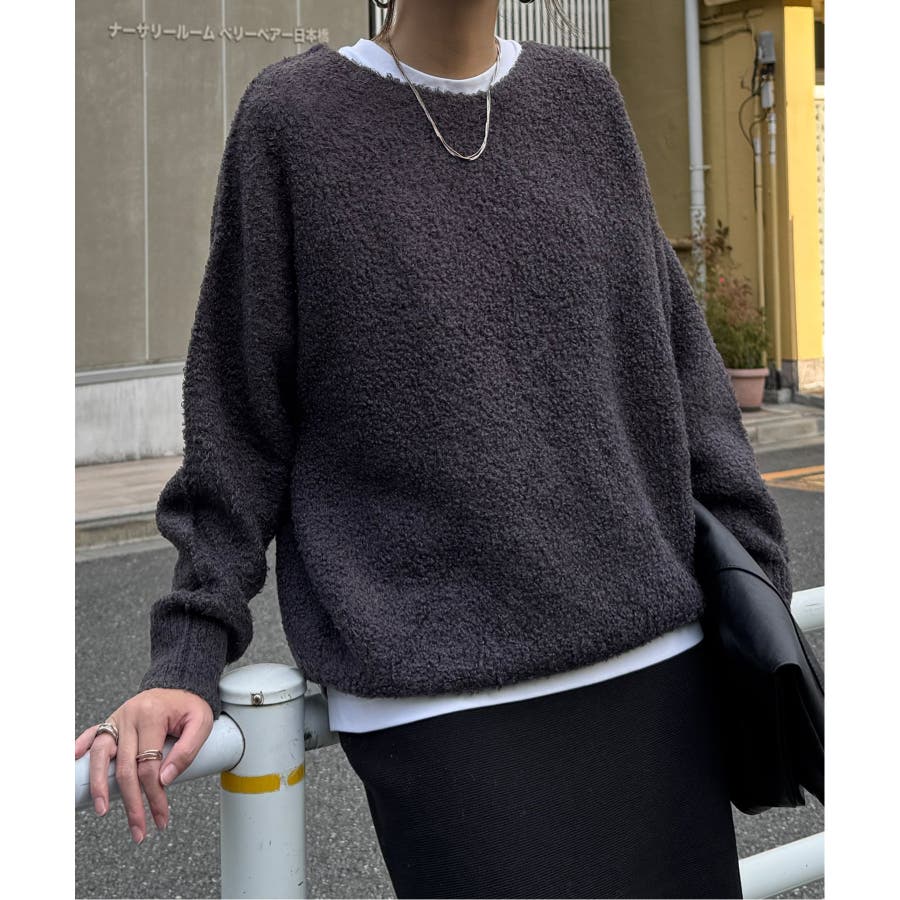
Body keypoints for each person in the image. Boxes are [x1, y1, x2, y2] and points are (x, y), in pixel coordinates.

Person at [76, 1, 794, 896]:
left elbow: (683, 374)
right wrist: (187, 652)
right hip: (437, 699)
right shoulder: (293, 120)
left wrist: (757, 580)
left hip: (656, 670)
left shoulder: (586, 102)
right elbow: (237, 413)